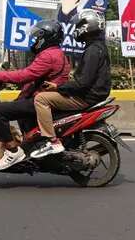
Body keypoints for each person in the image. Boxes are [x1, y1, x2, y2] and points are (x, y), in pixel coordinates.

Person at [0, 20, 71, 171]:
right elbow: (32, 77)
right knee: (17, 106)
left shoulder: (48, 56)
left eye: (37, 38)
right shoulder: (57, 53)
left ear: (45, 38)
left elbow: (25, 75)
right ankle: (29, 146)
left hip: (41, 100)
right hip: (44, 97)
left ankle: (13, 152)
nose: (35, 41)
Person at [29, 9, 111, 159]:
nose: (76, 30)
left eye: (78, 26)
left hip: (86, 97)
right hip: (94, 95)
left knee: (41, 98)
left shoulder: (92, 50)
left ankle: (52, 141)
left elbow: (83, 83)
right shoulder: (98, 46)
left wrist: (58, 87)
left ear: (87, 26)